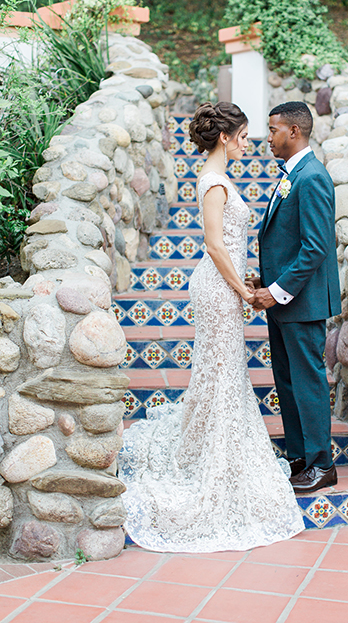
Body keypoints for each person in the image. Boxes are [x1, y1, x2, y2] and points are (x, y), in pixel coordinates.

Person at [118, 101, 304, 553]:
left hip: (225, 287)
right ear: (225, 137)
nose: (247, 143)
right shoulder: (214, 181)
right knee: (221, 374)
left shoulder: (217, 177)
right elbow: (215, 245)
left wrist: (246, 281)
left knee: (223, 374)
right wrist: (242, 291)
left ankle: (211, 447)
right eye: (241, 136)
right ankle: (209, 458)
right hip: (220, 290)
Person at [250, 101, 342, 494]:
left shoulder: (312, 177)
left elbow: (316, 246)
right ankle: (300, 457)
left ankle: (322, 465)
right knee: (287, 381)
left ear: (294, 132)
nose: (267, 138)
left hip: (301, 302)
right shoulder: (293, 174)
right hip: (284, 299)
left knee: (307, 382)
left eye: (273, 130)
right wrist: (266, 278)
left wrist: (277, 290)